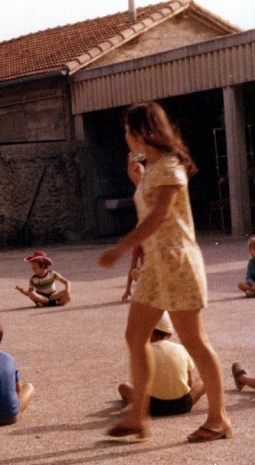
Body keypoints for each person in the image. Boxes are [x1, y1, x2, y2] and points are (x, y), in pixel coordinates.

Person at [98, 101, 231, 442]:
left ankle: (218, 420)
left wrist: (119, 249)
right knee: (135, 336)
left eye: (128, 130)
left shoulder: (170, 165)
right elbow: (151, 210)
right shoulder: (152, 167)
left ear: (141, 132)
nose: (125, 137)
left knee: (194, 342)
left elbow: (159, 217)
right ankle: (138, 416)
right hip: (158, 267)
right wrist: (138, 181)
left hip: (178, 264)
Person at [117, 312, 205, 416]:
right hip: (182, 405)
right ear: (170, 334)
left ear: (152, 334)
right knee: (204, 379)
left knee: (124, 387)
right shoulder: (181, 348)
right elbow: (189, 383)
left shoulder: (144, 352)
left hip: (153, 407)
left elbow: (140, 383)